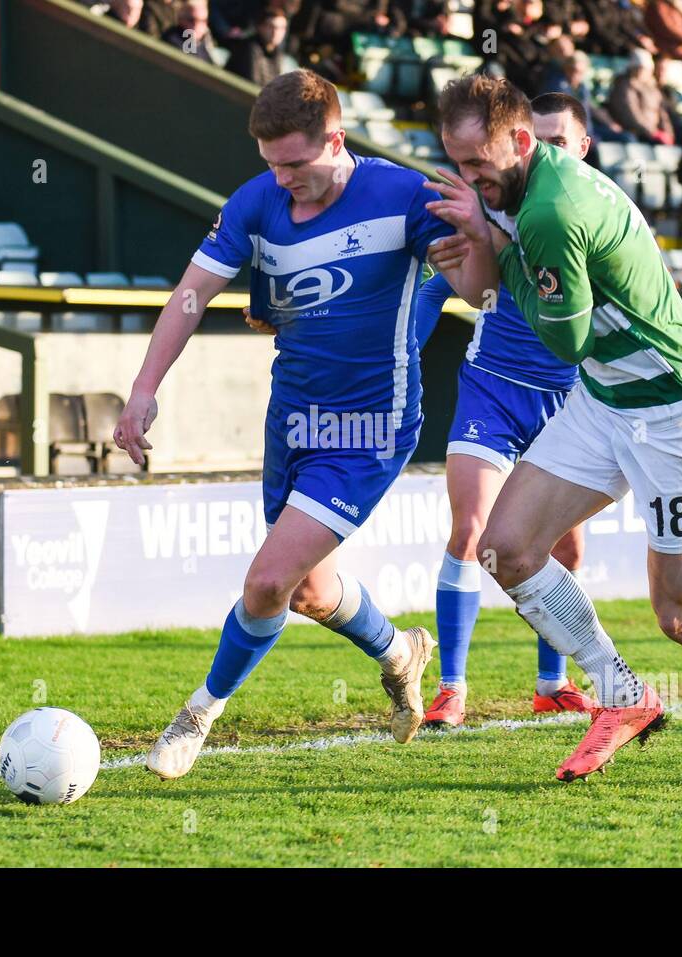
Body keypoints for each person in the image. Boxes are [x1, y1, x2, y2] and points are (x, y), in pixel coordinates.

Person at [428, 74, 682, 788]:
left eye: (478, 163)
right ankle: (619, 693)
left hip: (674, 408)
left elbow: (565, 339)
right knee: (507, 549)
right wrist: (487, 247)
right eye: (457, 164)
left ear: (520, 143)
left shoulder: (552, 209)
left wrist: (492, 249)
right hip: (605, 398)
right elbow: (503, 289)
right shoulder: (520, 189)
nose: (470, 178)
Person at [114, 70, 496, 781]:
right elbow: (192, 295)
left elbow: (479, 289)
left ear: (336, 140)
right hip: (292, 418)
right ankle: (400, 652)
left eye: (295, 162)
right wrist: (143, 389)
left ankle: (198, 711)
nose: (282, 177)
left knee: (265, 583)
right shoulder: (257, 202)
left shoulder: (403, 196)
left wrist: (472, 244)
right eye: (270, 163)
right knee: (310, 591)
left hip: (370, 424)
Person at [412, 92, 595, 728]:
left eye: (558, 141)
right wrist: (402, 349)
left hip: (569, 399)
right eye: (536, 139)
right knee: (470, 533)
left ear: (580, 148)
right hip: (492, 386)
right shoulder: (490, 204)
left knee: (564, 550)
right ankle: (451, 687)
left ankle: (553, 681)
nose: (545, 151)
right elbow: (451, 285)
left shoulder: (587, 210)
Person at [606, 48, 674, 145]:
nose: (645, 72)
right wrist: (653, 132)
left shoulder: (652, 87)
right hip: (637, 132)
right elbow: (631, 113)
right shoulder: (625, 85)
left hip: (651, 132)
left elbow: (662, 113)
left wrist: (668, 133)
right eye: (641, 69)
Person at [225, 8, 290, 86]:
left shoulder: (277, 52)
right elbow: (252, 84)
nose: (276, 32)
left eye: (281, 28)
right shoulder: (248, 47)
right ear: (260, 27)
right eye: (271, 26)